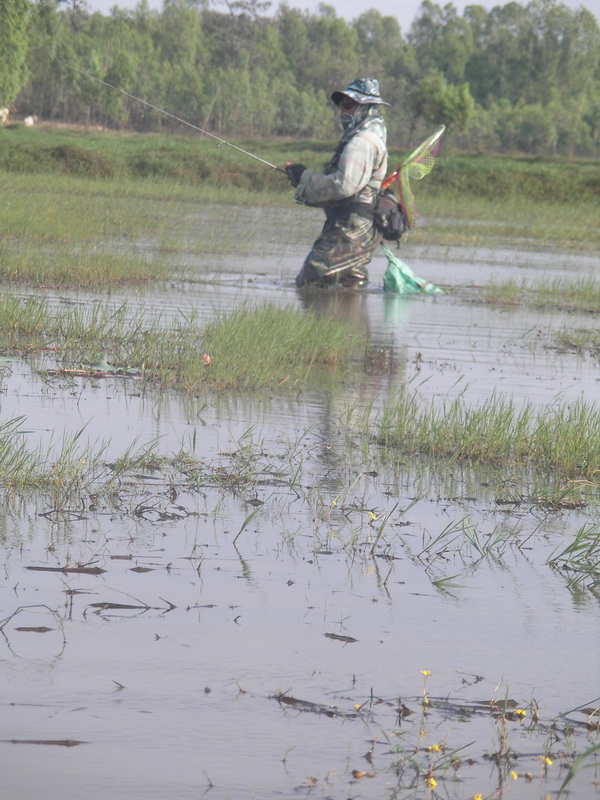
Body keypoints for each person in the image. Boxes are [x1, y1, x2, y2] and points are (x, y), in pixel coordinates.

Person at [285, 78, 389, 289]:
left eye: (349, 105)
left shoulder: (362, 141)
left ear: (366, 108)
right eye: (341, 105)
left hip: (349, 228)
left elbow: (344, 186)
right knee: (349, 287)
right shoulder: (372, 138)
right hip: (360, 227)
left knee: (310, 281)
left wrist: (303, 176)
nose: (343, 111)